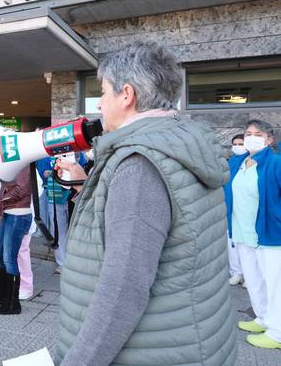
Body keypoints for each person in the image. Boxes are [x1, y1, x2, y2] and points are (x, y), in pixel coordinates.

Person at [55, 42, 236, 365]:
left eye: (104, 92)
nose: (100, 104)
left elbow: (123, 289)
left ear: (127, 95)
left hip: (149, 350)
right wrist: (88, 185)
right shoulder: (178, 144)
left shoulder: (138, 164)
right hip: (188, 338)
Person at [225, 120, 281, 349]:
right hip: (242, 231)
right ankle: (263, 318)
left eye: (258, 134)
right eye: (248, 133)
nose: (251, 137)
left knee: (275, 283)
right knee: (254, 280)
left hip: (269, 232)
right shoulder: (237, 162)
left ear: (269, 139)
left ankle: (277, 332)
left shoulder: (276, 163)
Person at [0, 166, 32, 315]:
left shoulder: (23, 163)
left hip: (18, 214)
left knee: (9, 258)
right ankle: (1, 295)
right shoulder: (15, 161)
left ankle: (12, 303)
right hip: (8, 212)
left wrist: (2, 199)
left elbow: (22, 189)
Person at [227, 133, 246, 286]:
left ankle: (248, 275)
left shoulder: (251, 162)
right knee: (231, 242)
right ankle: (236, 272)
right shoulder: (230, 162)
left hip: (245, 208)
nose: (238, 147)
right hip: (229, 208)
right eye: (235, 144)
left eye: (241, 143)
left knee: (246, 243)